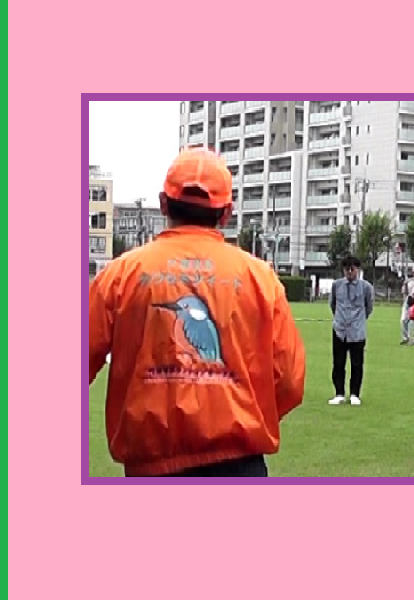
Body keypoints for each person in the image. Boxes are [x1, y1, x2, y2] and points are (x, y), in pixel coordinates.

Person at [87, 148, 305, 477]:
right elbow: (289, 380)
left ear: (163, 204)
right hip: (240, 468)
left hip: (152, 470)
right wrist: (240, 414)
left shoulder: (121, 274)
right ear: (227, 213)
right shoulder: (260, 279)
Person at [330, 255, 374, 406]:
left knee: (357, 363)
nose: (349, 273)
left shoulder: (366, 287)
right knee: (338, 363)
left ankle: (355, 393)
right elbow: (333, 304)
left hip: (357, 330)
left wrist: (359, 320)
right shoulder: (336, 285)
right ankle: (339, 393)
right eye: (346, 270)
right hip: (339, 329)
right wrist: (339, 319)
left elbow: (369, 307)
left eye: (352, 269)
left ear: (358, 270)